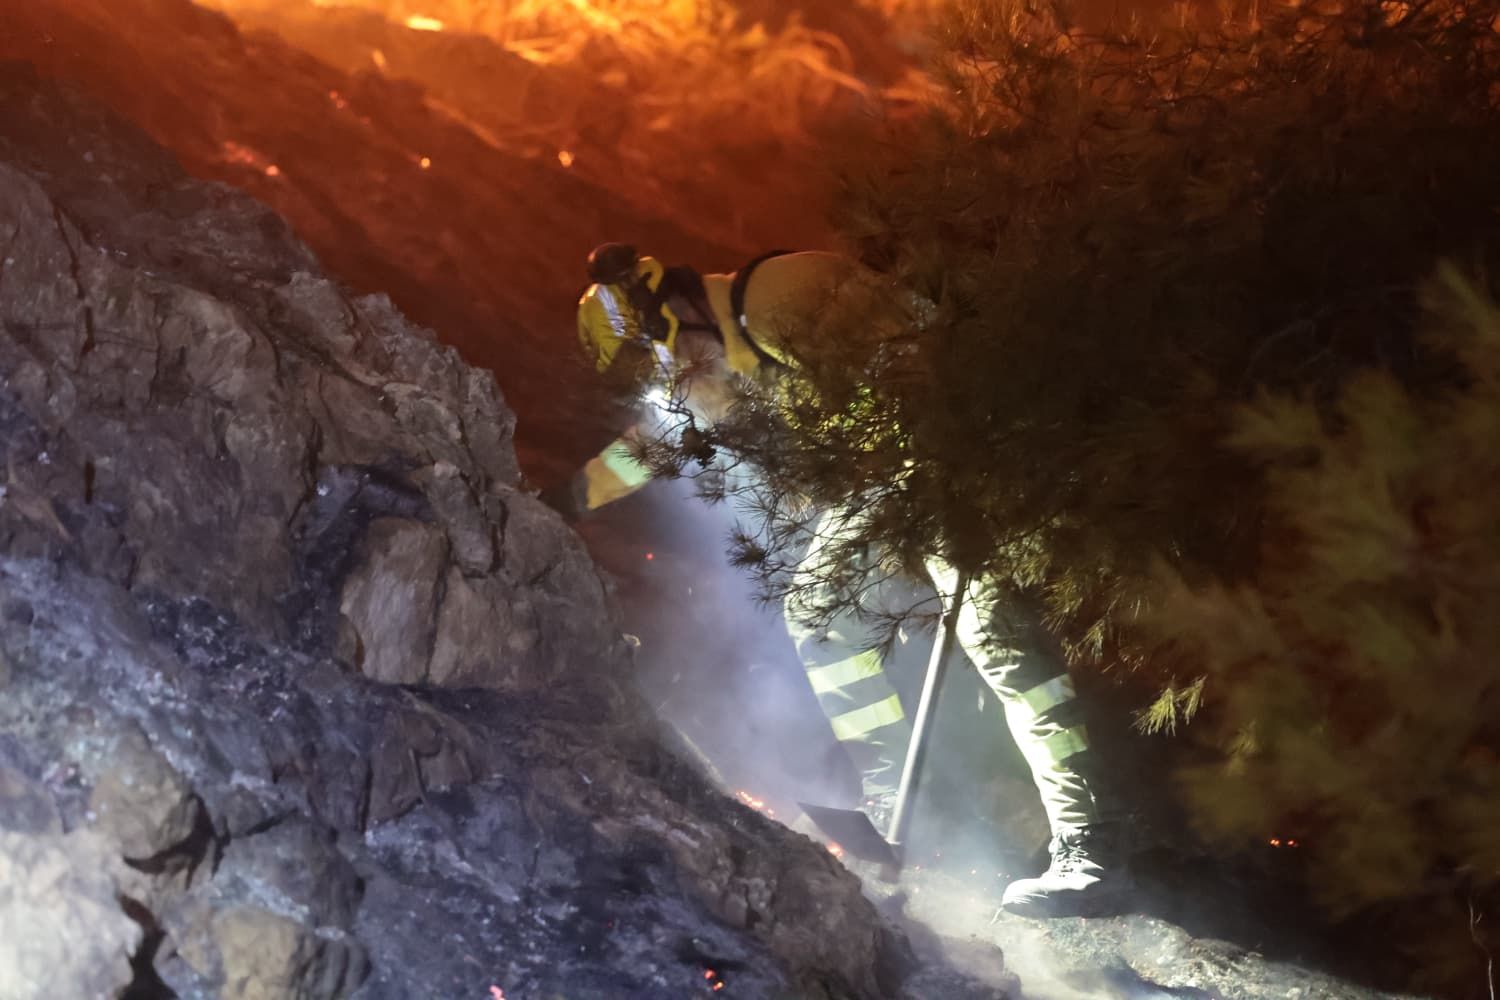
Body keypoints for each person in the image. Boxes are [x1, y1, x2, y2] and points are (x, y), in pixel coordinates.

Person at [551, 242, 1125, 917]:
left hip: (964, 456)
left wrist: (965, 468)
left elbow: (931, 362)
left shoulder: (777, 297)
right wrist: (570, 499)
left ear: (666, 314)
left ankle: (1093, 846)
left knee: (1002, 643)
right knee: (820, 612)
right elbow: (656, 442)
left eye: (654, 358)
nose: (667, 377)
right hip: (902, 480)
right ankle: (894, 801)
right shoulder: (716, 360)